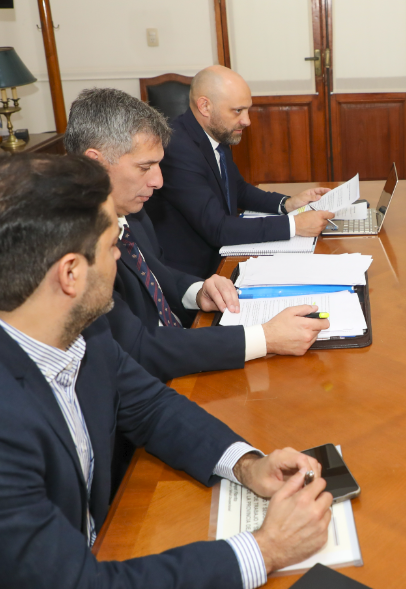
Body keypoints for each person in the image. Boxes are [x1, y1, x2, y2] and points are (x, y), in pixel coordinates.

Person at [0, 154, 333, 589]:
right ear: (70, 274)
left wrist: (247, 465)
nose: (121, 254)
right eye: (112, 244)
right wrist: (266, 550)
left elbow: (152, 408)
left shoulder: (83, 332)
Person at [63, 88, 329, 383]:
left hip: (180, 348)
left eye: (158, 165)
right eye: (144, 167)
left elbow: (157, 273)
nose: (158, 181)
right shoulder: (74, 246)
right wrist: (264, 338)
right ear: (95, 163)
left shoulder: (131, 210)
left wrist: (198, 291)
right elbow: (138, 347)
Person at [145, 65, 335, 277]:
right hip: (195, 274)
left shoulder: (215, 132)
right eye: (237, 111)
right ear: (205, 106)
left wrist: (287, 204)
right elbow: (218, 228)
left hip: (223, 255)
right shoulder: (177, 148)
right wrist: (293, 225)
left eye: (247, 110)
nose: (247, 121)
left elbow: (238, 188)